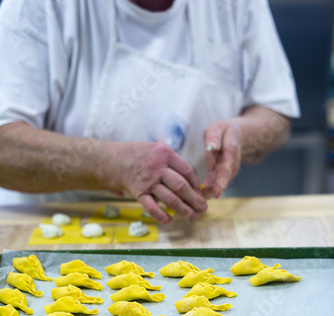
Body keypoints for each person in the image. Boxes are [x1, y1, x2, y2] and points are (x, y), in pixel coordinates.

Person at [0, 0, 300, 223]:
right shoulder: (40, 7)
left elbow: (276, 115)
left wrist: (241, 134)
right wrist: (112, 164)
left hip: (193, 225)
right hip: (58, 225)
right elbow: (5, 147)